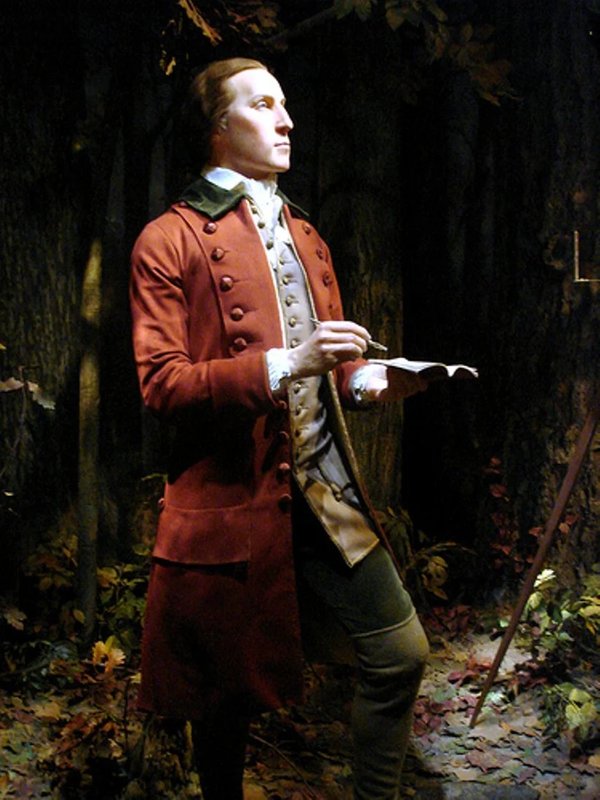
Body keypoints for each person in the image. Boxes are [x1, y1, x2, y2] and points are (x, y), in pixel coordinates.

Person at [130, 57, 430, 800]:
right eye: (263, 106)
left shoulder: (306, 234)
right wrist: (287, 363)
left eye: (285, 105)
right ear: (218, 126)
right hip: (232, 501)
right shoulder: (169, 240)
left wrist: (366, 383)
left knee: (400, 652)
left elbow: (331, 367)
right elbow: (162, 384)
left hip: (323, 493)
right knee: (222, 701)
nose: (286, 121)